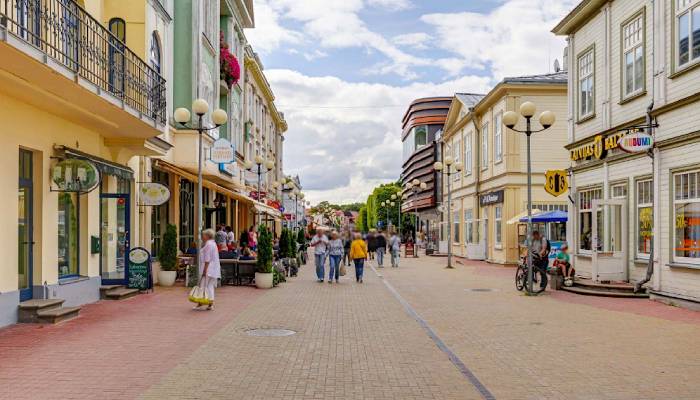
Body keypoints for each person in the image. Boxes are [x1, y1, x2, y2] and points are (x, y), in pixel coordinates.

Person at [196, 229, 220, 311]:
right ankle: (210, 303)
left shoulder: (208, 244)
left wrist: (205, 270)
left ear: (207, 236)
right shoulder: (213, 244)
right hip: (213, 268)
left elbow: (207, 258)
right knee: (209, 286)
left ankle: (201, 302)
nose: (202, 237)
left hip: (208, 268)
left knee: (203, 285)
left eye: (204, 235)